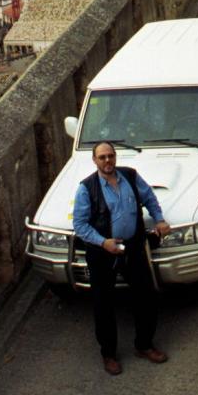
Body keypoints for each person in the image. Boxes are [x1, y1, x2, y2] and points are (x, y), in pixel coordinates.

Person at [73, 141, 171, 375]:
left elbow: (149, 197)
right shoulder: (86, 188)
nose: (107, 161)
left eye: (110, 156)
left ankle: (144, 345)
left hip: (133, 247)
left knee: (146, 296)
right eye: (102, 157)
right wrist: (103, 242)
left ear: (115, 157)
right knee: (103, 304)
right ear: (95, 160)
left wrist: (159, 219)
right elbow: (79, 224)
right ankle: (108, 354)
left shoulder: (130, 176)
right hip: (102, 253)